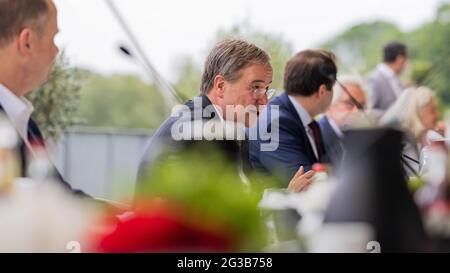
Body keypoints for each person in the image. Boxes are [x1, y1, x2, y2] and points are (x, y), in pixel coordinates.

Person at [137, 39, 274, 186]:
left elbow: (248, 197)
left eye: (266, 90)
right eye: (256, 87)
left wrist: (286, 196)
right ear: (221, 86)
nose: (265, 101)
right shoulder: (193, 132)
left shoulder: (234, 133)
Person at [0, 0, 88, 197]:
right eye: (53, 38)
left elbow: (60, 198)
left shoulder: (25, 123)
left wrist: (123, 216)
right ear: (27, 42)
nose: (56, 51)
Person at [249, 49, 337, 187]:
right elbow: (308, 183)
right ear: (322, 91)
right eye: (334, 87)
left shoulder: (309, 123)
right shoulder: (276, 123)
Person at [380, 86, 442, 176]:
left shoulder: (418, 139)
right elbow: (417, 176)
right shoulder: (405, 141)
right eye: (432, 111)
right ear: (417, 113)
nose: (438, 114)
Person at [318, 76, 368, 165]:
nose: (357, 111)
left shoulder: (359, 138)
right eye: (349, 103)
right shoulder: (316, 136)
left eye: (361, 106)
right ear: (329, 104)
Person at [366, 42, 408, 115]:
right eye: (406, 58)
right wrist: (393, 116)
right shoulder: (374, 79)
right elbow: (368, 111)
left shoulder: (394, 78)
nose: (407, 63)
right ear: (400, 59)